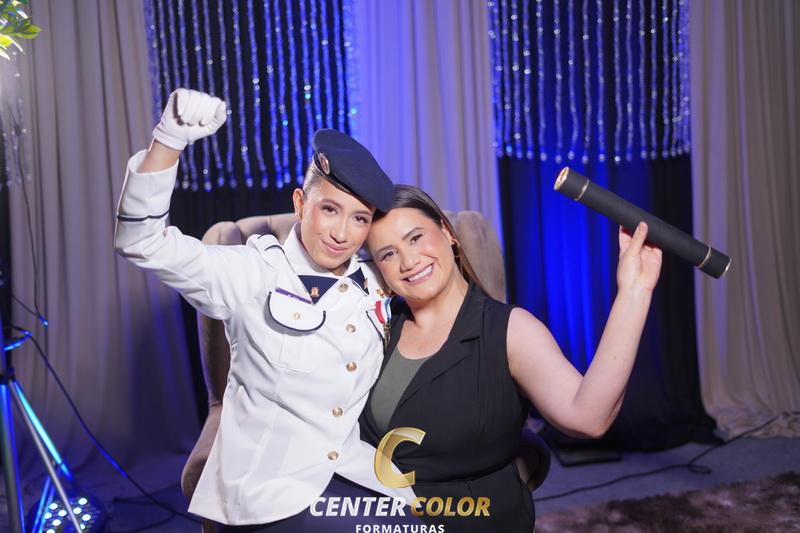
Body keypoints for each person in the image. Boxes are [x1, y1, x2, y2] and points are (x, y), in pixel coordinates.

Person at [114, 89, 418, 530]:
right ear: (300, 204)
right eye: (330, 210)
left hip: (349, 468)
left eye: (359, 218)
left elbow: (440, 272)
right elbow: (140, 242)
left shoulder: (376, 277)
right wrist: (169, 140)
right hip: (268, 490)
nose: (342, 233)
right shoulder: (250, 272)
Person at [360, 185, 663, 532]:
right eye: (388, 254)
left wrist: (635, 291)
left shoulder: (510, 331)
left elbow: (588, 417)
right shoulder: (377, 326)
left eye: (415, 238)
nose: (408, 261)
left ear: (447, 232)